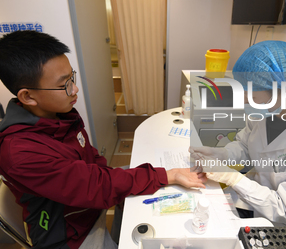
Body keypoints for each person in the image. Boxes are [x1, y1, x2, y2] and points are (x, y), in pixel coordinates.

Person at [0, 30, 207, 249]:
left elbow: (92, 161)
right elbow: (94, 186)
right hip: (70, 235)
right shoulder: (20, 153)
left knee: (157, 178)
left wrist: (155, 177)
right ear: (28, 96)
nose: (75, 89)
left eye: (72, 77)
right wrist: (166, 175)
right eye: (64, 84)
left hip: (89, 203)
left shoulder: (59, 114)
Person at [190, 41, 286, 249]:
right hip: (258, 206)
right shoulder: (267, 113)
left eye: (251, 90)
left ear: (280, 88)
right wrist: (220, 154)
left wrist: (233, 178)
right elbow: (245, 146)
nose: (244, 98)